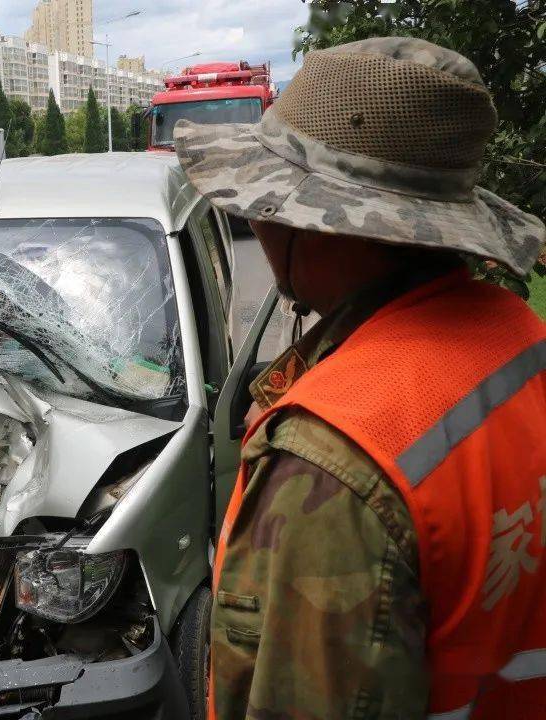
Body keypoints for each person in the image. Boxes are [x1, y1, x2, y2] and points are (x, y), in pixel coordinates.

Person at [176, 38, 546, 720]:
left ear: (317, 225)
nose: (257, 217)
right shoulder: (520, 339)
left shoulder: (335, 460)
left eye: (265, 199)